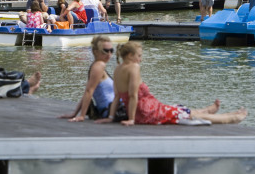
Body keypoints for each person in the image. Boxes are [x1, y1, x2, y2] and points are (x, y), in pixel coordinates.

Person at [97, 42, 247, 126]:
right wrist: (131, 119)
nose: (140, 59)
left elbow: (118, 96)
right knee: (188, 115)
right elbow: (133, 95)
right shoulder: (134, 67)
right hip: (147, 112)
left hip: (144, 111)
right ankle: (231, 118)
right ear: (130, 56)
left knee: (180, 109)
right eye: (139, 56)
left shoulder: (117, 69)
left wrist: (111, 117)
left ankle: (209, 110)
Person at [59, 35, 118, 121]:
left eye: (111, 51)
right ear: (95, 51)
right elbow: (89, 91)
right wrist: (81, 116)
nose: (109, 54)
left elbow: (88, 91)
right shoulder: (99, 66)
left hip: (111, 109)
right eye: (105, 51)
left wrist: (75, 113)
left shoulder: (96, 66)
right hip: (112, 110)